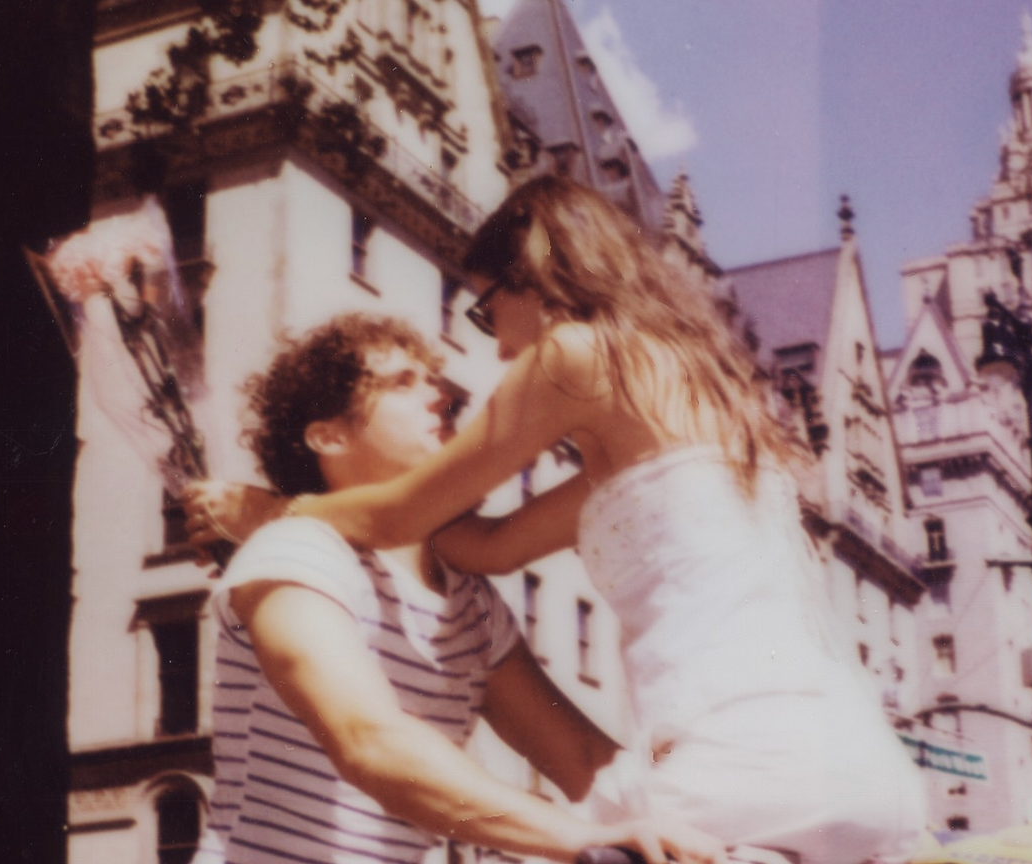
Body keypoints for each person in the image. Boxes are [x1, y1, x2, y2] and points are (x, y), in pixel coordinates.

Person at [187, 177, 926, 864]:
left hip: (736, 762)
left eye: (486, 310)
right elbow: (488, 550)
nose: (489, 357)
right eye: (408, 383)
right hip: (855, 763)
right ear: (327, 435)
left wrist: (271, 510)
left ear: (535, 276)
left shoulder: (575, 354)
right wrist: (597, 836)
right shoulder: (695, 415)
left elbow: (406, 515)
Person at [187, 313, 723, 864]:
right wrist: (576, 837)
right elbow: (369, 739)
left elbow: (584, 757)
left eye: (433, 379)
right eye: (403, 382)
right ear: (329, 436)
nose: (444, 395)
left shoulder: (470, 604)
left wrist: (715, 828)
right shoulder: (297, 552)